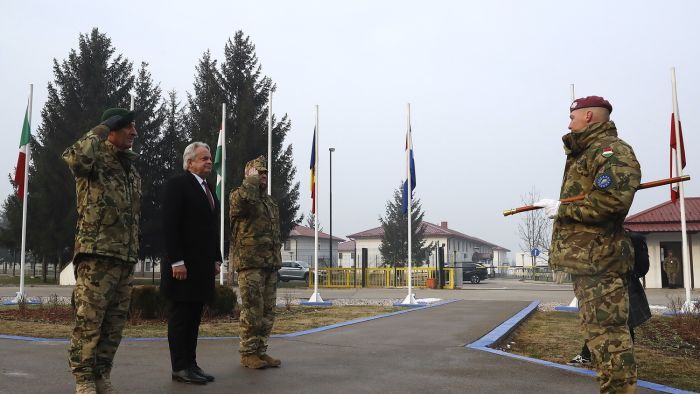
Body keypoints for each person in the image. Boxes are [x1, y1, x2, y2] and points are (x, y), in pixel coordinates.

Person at [534, 96, 641, 393]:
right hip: (588, 263)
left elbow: (612, 202)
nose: (569, 124)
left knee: (610, 338)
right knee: (598, 337)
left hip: (601, 262)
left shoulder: (611, 151)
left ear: (590, 116)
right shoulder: (585, 153)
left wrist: (563, 209)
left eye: (572, 117)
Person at [62, 108, 141, 394]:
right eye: (128, 127)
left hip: (124, 258)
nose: (134, 132)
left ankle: (101, 375)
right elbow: (73, 157)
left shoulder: (130, 169)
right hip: (96, 256)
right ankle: (83, 379)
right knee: (89, 322)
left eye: (134, 127)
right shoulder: (93, 158)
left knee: (114, 325)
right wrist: (102, 126)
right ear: (112, 130)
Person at [161, 142, 222, 385]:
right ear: (189, 163)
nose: (209, 162)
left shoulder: (208, 189)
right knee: (180, 319)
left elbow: (210, 229)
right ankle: (179, 367)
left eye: (209, 158)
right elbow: (170, 226)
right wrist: (176, 261)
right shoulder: (177, 185)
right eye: (204, 158)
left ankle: (191, 364)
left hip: (201, 267)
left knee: (194, 318)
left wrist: (216, 257)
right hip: (182, 268)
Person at [229, 155, 282, 369]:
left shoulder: (269, 202)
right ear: (248, 174)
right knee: (252, 309)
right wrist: (249, 183)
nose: (263, 176)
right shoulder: (239, 195)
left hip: (269, 263)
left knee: (268, 311)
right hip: (250, 263)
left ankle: (260, 351)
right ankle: (248, 353)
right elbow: (241, 206)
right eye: (259, 172)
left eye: (265, 173)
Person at [568, 232, 652, 367]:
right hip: (603, 287)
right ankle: (587, 354)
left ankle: (625, 358)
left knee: (625, 324)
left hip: (623, 286)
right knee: (595, 322)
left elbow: (638, 265)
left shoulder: (624, 238)